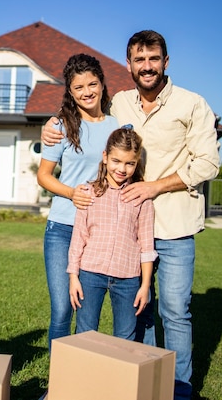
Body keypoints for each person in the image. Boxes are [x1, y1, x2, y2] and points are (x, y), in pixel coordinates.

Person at [41, 30, 220, 400]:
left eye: (153, 59)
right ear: (128, 66)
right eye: (139, 60)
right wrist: (45, 128)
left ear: (165, 62)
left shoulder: (190, 104)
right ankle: (132, 383)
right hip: (111, 229)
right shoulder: (121, 105)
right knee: (137, 313)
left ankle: (178, 390)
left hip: (170, 223)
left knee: (174, 311)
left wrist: (154, 187)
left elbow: (208, 163)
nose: (147, 66)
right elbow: (75, 132)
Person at [37, 53, 119, 352]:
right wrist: (72, 193)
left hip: (97, 232)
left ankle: (82, 376)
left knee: (86, 312)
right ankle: (56, 382)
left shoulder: (118, 127)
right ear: (70, 92)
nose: (87, 92)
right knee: (62, 308)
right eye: (79, 88)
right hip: (62, 228)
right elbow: (44, 176)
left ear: (102, 83)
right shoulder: (60, 126)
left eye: (92, 84)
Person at [68, 126, 157, 341]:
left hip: (128, 279)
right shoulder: (89, 193)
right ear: (105, 157)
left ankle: (120, 376)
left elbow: (146, 246)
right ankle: (83, 375)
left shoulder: (141, 198)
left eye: (130, 163)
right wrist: (73, 277)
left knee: (125, 338)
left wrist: (145, 286)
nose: (122, 169)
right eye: (116, 161)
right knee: (85, 333)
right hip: (90, 274)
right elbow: (78, 237)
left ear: (137, 164)